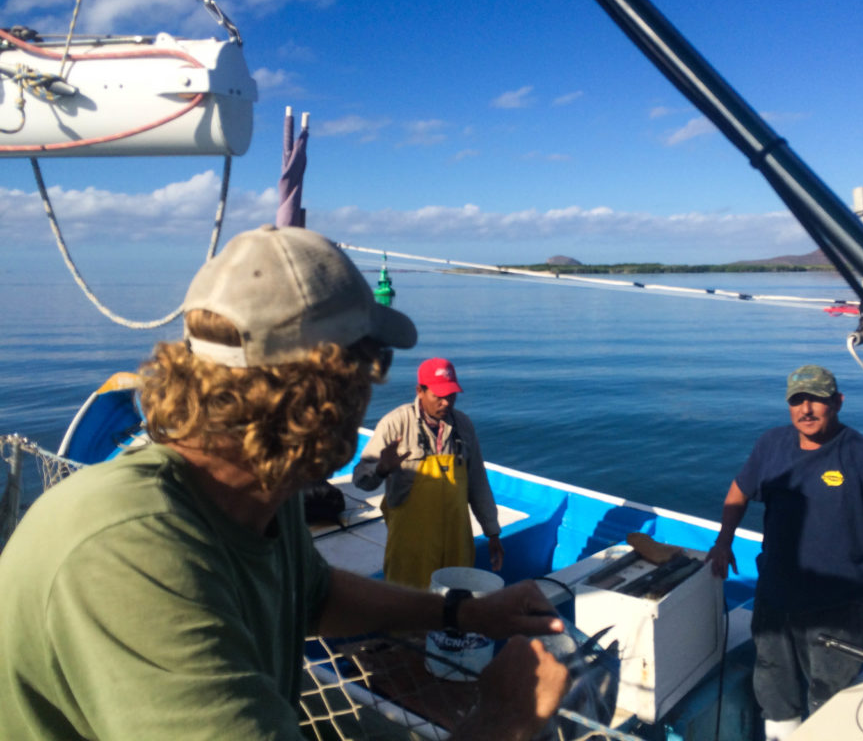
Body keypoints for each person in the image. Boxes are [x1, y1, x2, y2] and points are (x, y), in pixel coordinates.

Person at [0, 225, 566, 740]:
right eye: (373, 363)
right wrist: (505, 720)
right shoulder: (128, 554)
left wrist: (460, 614)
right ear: (328, 387)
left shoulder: (269, 492)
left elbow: (314, 596)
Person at [705, 364, 863, 741]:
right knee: (774, 691)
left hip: (834, 609)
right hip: (773, 598)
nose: (806, 410)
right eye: (797, 401)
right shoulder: (771, 444)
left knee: (831, 696)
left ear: (837, 402)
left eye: (817, 400)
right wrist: (723, 541)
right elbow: (738, 492)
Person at [354, 357, 503, 589]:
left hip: (456, 539)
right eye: (438, 396)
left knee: (455, 605)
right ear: (420, 391)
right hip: (411, 541)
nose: (446, 402)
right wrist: (382, 468)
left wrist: (492, 533)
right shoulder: (395, 424)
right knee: (407, 603)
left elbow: (478, 482)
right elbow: (361, 479)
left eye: (451, 395)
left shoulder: (464, 425)